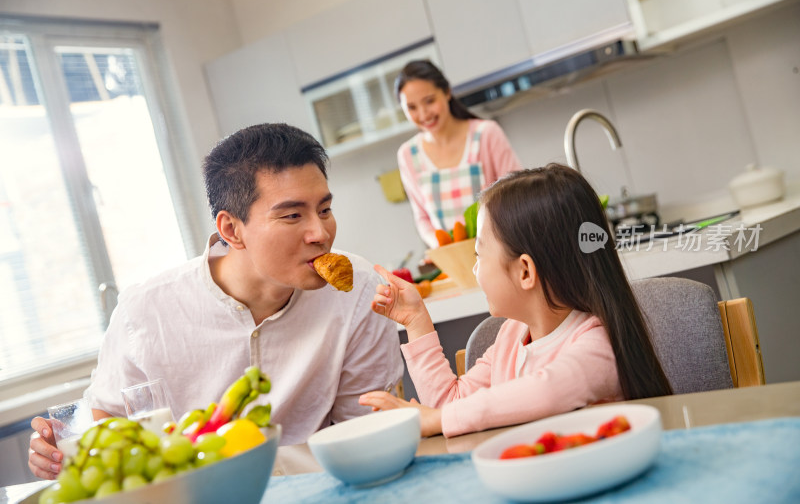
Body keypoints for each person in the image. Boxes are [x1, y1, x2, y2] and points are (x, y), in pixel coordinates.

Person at [28, 123, 404, 479]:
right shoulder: (145, 312)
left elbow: (367, 428)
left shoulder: (359, 290)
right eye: (292, 215)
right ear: (231, 230)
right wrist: (58, 449)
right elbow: (103, 418)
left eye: (324, 209)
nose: (320, 233)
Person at [360, 163, 673, 438]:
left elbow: (546, 392)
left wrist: (438, 419)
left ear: (525, 271)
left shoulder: (597, 345)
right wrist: (416, 320)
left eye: (479, 254)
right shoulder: (511, 335)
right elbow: (452, 409)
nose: (474, 267)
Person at [395, 59, 522, 249]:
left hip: (501, 249)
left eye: (429, 101)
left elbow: (517, 195)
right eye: (412, 107)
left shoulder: (486, 134)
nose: (423, 114)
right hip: (453, 260)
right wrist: (446, 248)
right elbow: (422, 218)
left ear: (446, 92)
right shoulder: (407, 154)